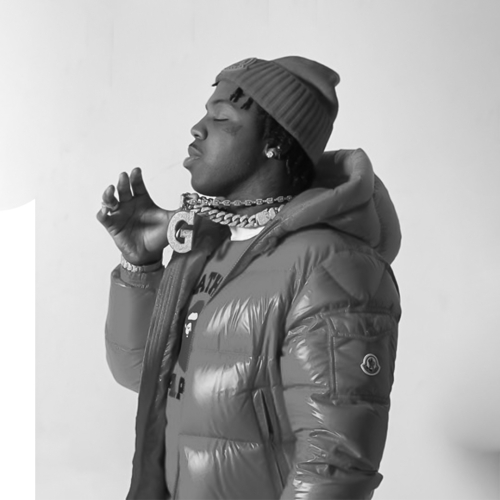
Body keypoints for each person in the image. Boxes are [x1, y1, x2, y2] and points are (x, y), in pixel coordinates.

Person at [97, 56, 402, 500]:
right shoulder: (207, 245)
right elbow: (141, 374)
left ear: (274, 143)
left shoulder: (333, 267)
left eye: (222, 118)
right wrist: (141, 264)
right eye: (205, 114)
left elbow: (333, 466)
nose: (197, 129)